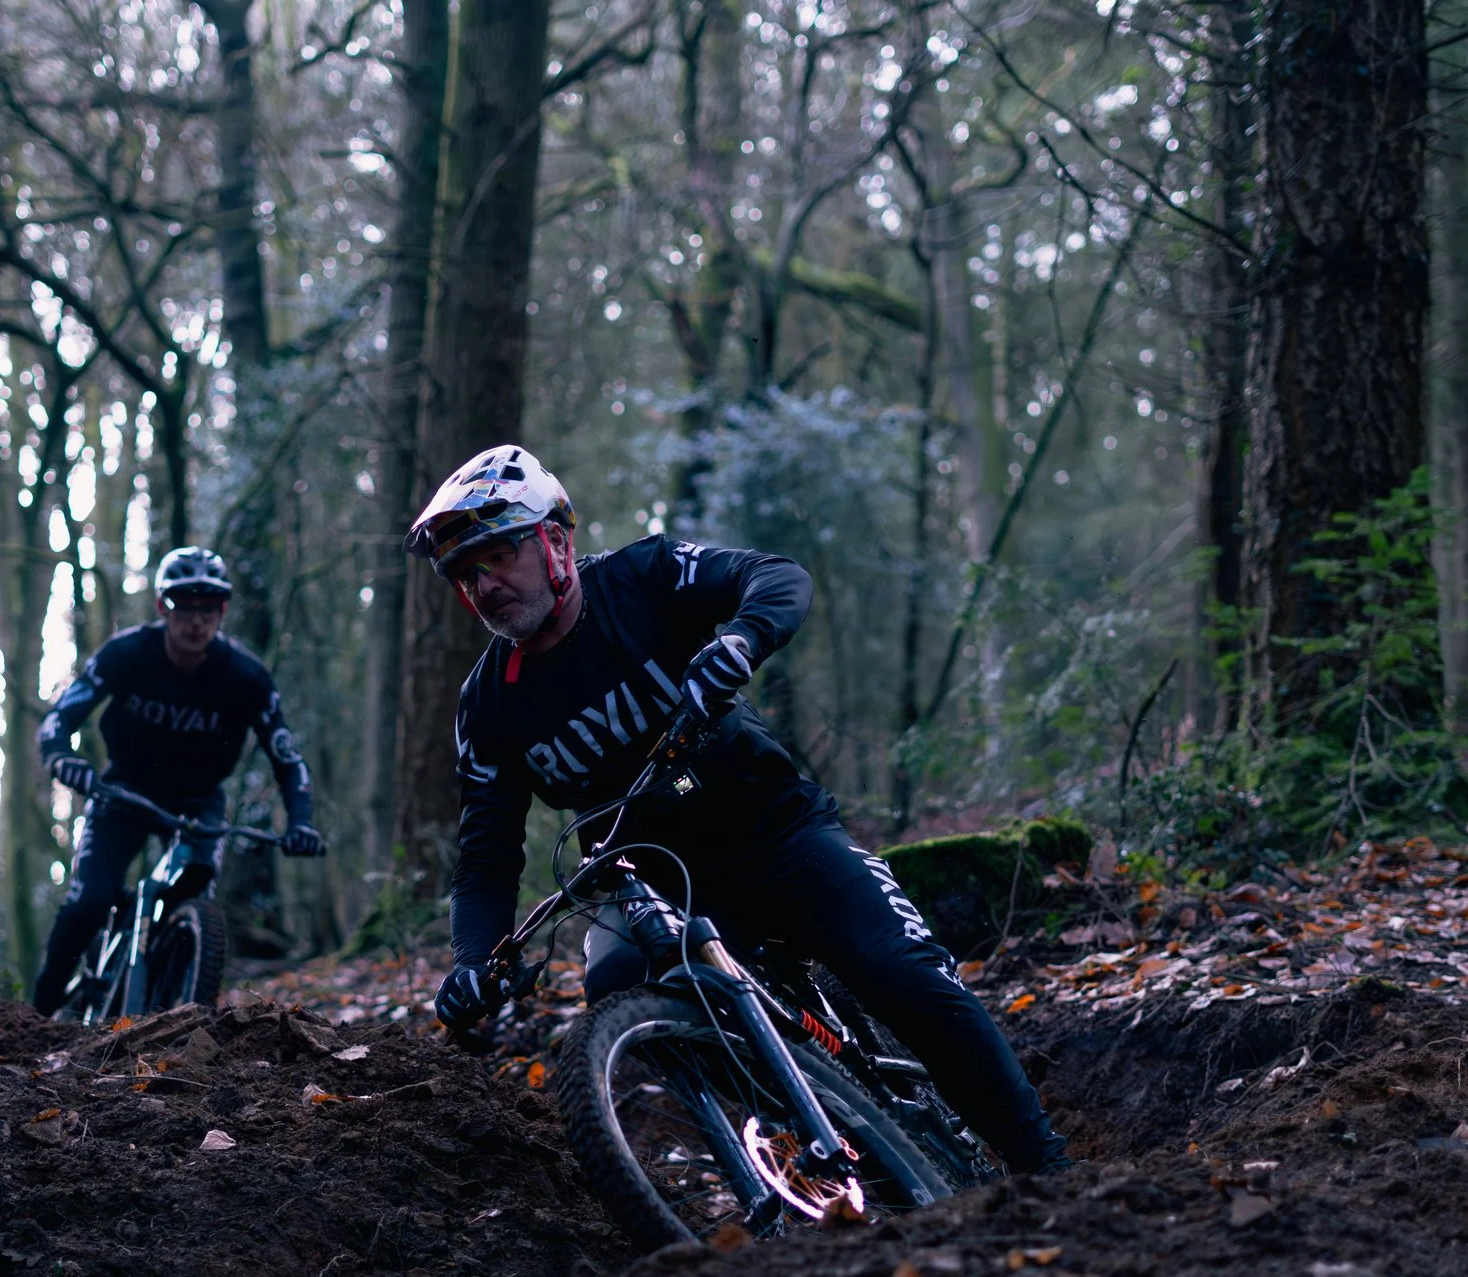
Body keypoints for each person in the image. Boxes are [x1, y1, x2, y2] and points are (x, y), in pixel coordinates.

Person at [410, 444, 1068, 1175]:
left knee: (907, 973)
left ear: (555, 539)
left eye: (497, 556)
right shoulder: (487, 705)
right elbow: (487, 853)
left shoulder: (644, 576)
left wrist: (741, 638)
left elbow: (776, 576)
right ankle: (826, 1131)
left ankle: (1045, 1171)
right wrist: (474, 961)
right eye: (465, 575)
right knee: (616, 985)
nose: (483, 584)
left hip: (776, 831)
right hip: (649, 883)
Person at [30, 546, 326, 1014]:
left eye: (207, 608)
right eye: (183, 606)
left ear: (223, 611)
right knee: (91, 900)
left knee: (196, 896)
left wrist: (301, 822)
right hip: (122, 791)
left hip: (199, 804)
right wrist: (61, 757)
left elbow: (287, 758)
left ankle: (175, 1009)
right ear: (162, 607)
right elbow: (60, 717)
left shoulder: (246, 677)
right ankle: (39, 1012)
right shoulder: (125, 654)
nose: (195, 620)